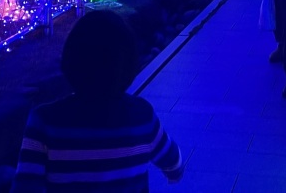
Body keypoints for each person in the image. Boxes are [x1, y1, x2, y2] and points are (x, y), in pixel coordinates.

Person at [11, 10, 185, 192]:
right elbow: (174, 163)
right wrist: (174, 172)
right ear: (128, 65)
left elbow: (25, 186)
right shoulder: (142, 115)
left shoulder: (44, 122)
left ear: (70, 61)